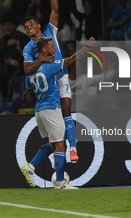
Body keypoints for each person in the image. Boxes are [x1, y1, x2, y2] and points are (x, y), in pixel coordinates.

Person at [21, 36, 89, 189]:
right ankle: (59, 182)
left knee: (52, 143)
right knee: (60, 145)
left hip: (39, 110)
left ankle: (31, 166)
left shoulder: (32, 69)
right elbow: (71, 60)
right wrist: (87, 48)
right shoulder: (49, 65)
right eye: (52, 46)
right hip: (51, 108)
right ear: (44, 50)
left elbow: (28, 88)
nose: (55, 48)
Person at [22, 0, 79, 162]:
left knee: (67, 109)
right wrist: (42, 61)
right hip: (48, 84)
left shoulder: (50, 33)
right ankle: (59, 157)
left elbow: (55, 9)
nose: (29, 27)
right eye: (26, 27)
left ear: (39, 25)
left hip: (61, 75)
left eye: (32, 24)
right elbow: (28, 70)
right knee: (55, 126)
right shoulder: (28, 48)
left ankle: (73, 149)